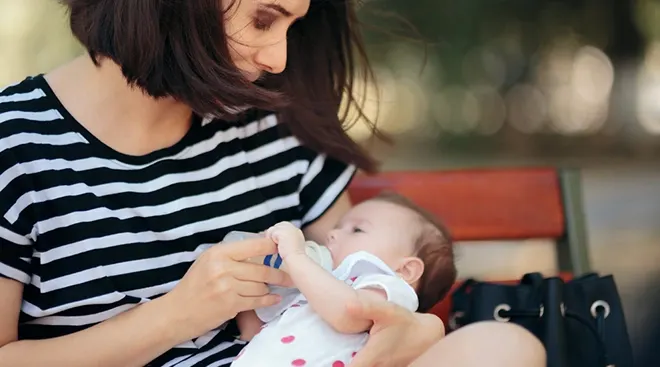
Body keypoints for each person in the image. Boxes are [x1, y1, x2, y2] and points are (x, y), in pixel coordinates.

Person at [0, 0, 546, 366]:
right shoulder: (14, 144)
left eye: (293, 26)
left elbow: (365, 280)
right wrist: (176, 315)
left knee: (508, 347)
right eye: (265, 19)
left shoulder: (275, 130)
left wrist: (415, 331)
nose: (278, 58)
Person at [230, 193, 456, 366]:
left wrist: (296, 256)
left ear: (406, 270)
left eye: (357, 229)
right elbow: (255, 326)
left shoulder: (387, 287)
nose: (332, 234)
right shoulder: (324, 284)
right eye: (338, 227)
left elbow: (349, 312)